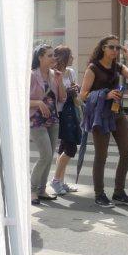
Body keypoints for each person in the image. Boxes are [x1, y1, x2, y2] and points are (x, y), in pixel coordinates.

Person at [79, 35, 128, 208]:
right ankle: (99, 194)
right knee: (101, 156)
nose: (115, 51)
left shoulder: (118, 66)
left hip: (117, 113)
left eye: (117, 48)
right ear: (103, 48)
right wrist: (104, 95)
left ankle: (119, 192)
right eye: (111, 47)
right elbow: (82, 95)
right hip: (100, 117)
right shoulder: (93, 68)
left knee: (126, 152)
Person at [29, 44, 66, 206]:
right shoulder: (32, 75)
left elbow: (63, 98)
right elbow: (21, 99)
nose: (53, 58)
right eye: (49, 55)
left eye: (53, 55)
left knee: (49, 157)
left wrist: (59, 80)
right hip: (36, 119)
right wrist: (38, 102)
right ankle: (32, 190)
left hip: (53, 119)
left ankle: (42, 190)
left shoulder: (54, 74)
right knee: (45, 155)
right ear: (40, 57)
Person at [49, 45, 81, 195]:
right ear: (64, 58)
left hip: (72, 111)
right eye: (70, 55)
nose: (73, 58)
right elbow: (55, 96)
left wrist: (76, 90)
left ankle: (60, 181)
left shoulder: (71, 72)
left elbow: (75, 94)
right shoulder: (53, 74)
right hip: (60, 113)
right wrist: (68, 91)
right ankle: (56, 180)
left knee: (64, 147)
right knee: (70, 147)